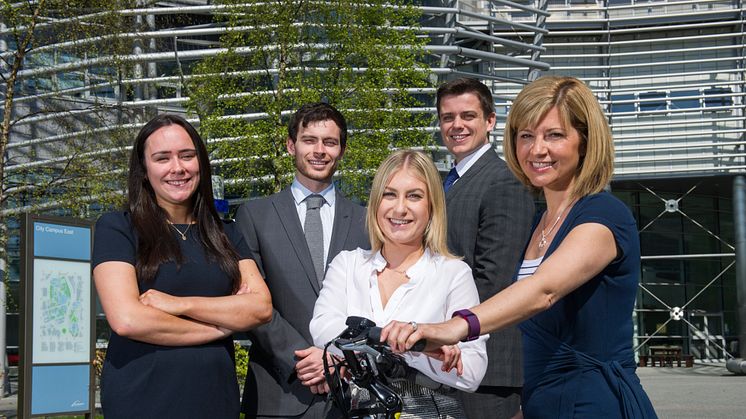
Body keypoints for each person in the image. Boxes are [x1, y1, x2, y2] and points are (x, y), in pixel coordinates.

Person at [382, 76, 658, 418]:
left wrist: (451, 328)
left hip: (592, 399)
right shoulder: (538, 224)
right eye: (526, 136)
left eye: (554, 135)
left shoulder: (604, 215)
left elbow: (543, 290)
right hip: (538, 398)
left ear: (584, 142)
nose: (536, 149)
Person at [92, 114, 273, 418]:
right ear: (145, 171)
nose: (177, 168)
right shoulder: (118, 228)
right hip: (142, 400)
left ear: (200, 162)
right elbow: (127, 319)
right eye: (162, 158)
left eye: (187, 156)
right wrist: (222, 324)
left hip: (215, 399)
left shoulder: (225, 233)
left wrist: (177, 304)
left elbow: (261, 308)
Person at [310, 149, 488, 418]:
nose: (400, 208)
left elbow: (472, 371)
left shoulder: (454, 274)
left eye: (414, 196)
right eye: (389, 194)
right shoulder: (348, 265)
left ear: (432, 207)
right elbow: (324, 330)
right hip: (356, 407)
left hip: (429, 410)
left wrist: (359, 348)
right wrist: (422, 345)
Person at [235, 102, 369, 418]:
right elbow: (250, 303)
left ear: (343, 150)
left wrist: (336, 356)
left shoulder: (368, 221)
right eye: (309, 140)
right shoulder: (254, 216)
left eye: (330, 142)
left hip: (350, 392)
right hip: (280, 390)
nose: (319, 150)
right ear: (291, 145)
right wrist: (307, 361)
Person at [437, 77, 534, 418]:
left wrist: (438, 328)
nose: (457, 125)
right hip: (449, 359)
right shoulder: (445, 184)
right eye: (448, 117)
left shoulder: (504, 182)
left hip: (487, 365)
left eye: (468, 116)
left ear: (490, 121)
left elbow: (495, 280)